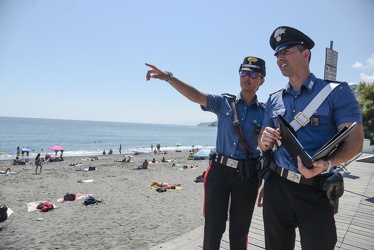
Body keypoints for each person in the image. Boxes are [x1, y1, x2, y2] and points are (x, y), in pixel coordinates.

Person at [257, 26, 364, 250]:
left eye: (286, 51)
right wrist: (263, 139)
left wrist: (327, 163)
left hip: (315, 187)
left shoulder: (336, 92)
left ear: (306, 54)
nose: (280, 58)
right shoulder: (274, 99)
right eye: (277, 54)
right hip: (277, 186)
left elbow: (355, 142)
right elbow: (264, 144)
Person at [145, 56, 266, 249]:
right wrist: (169, 78)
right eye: (243, 72)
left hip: (247, 175)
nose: (247, 77)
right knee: (213, 228)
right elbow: (195, 95)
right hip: (219, 171)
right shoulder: (224, 103)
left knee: (239, 231)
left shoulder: (264, 113)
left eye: (253, 74)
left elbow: (269, 148)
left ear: (262, 80)